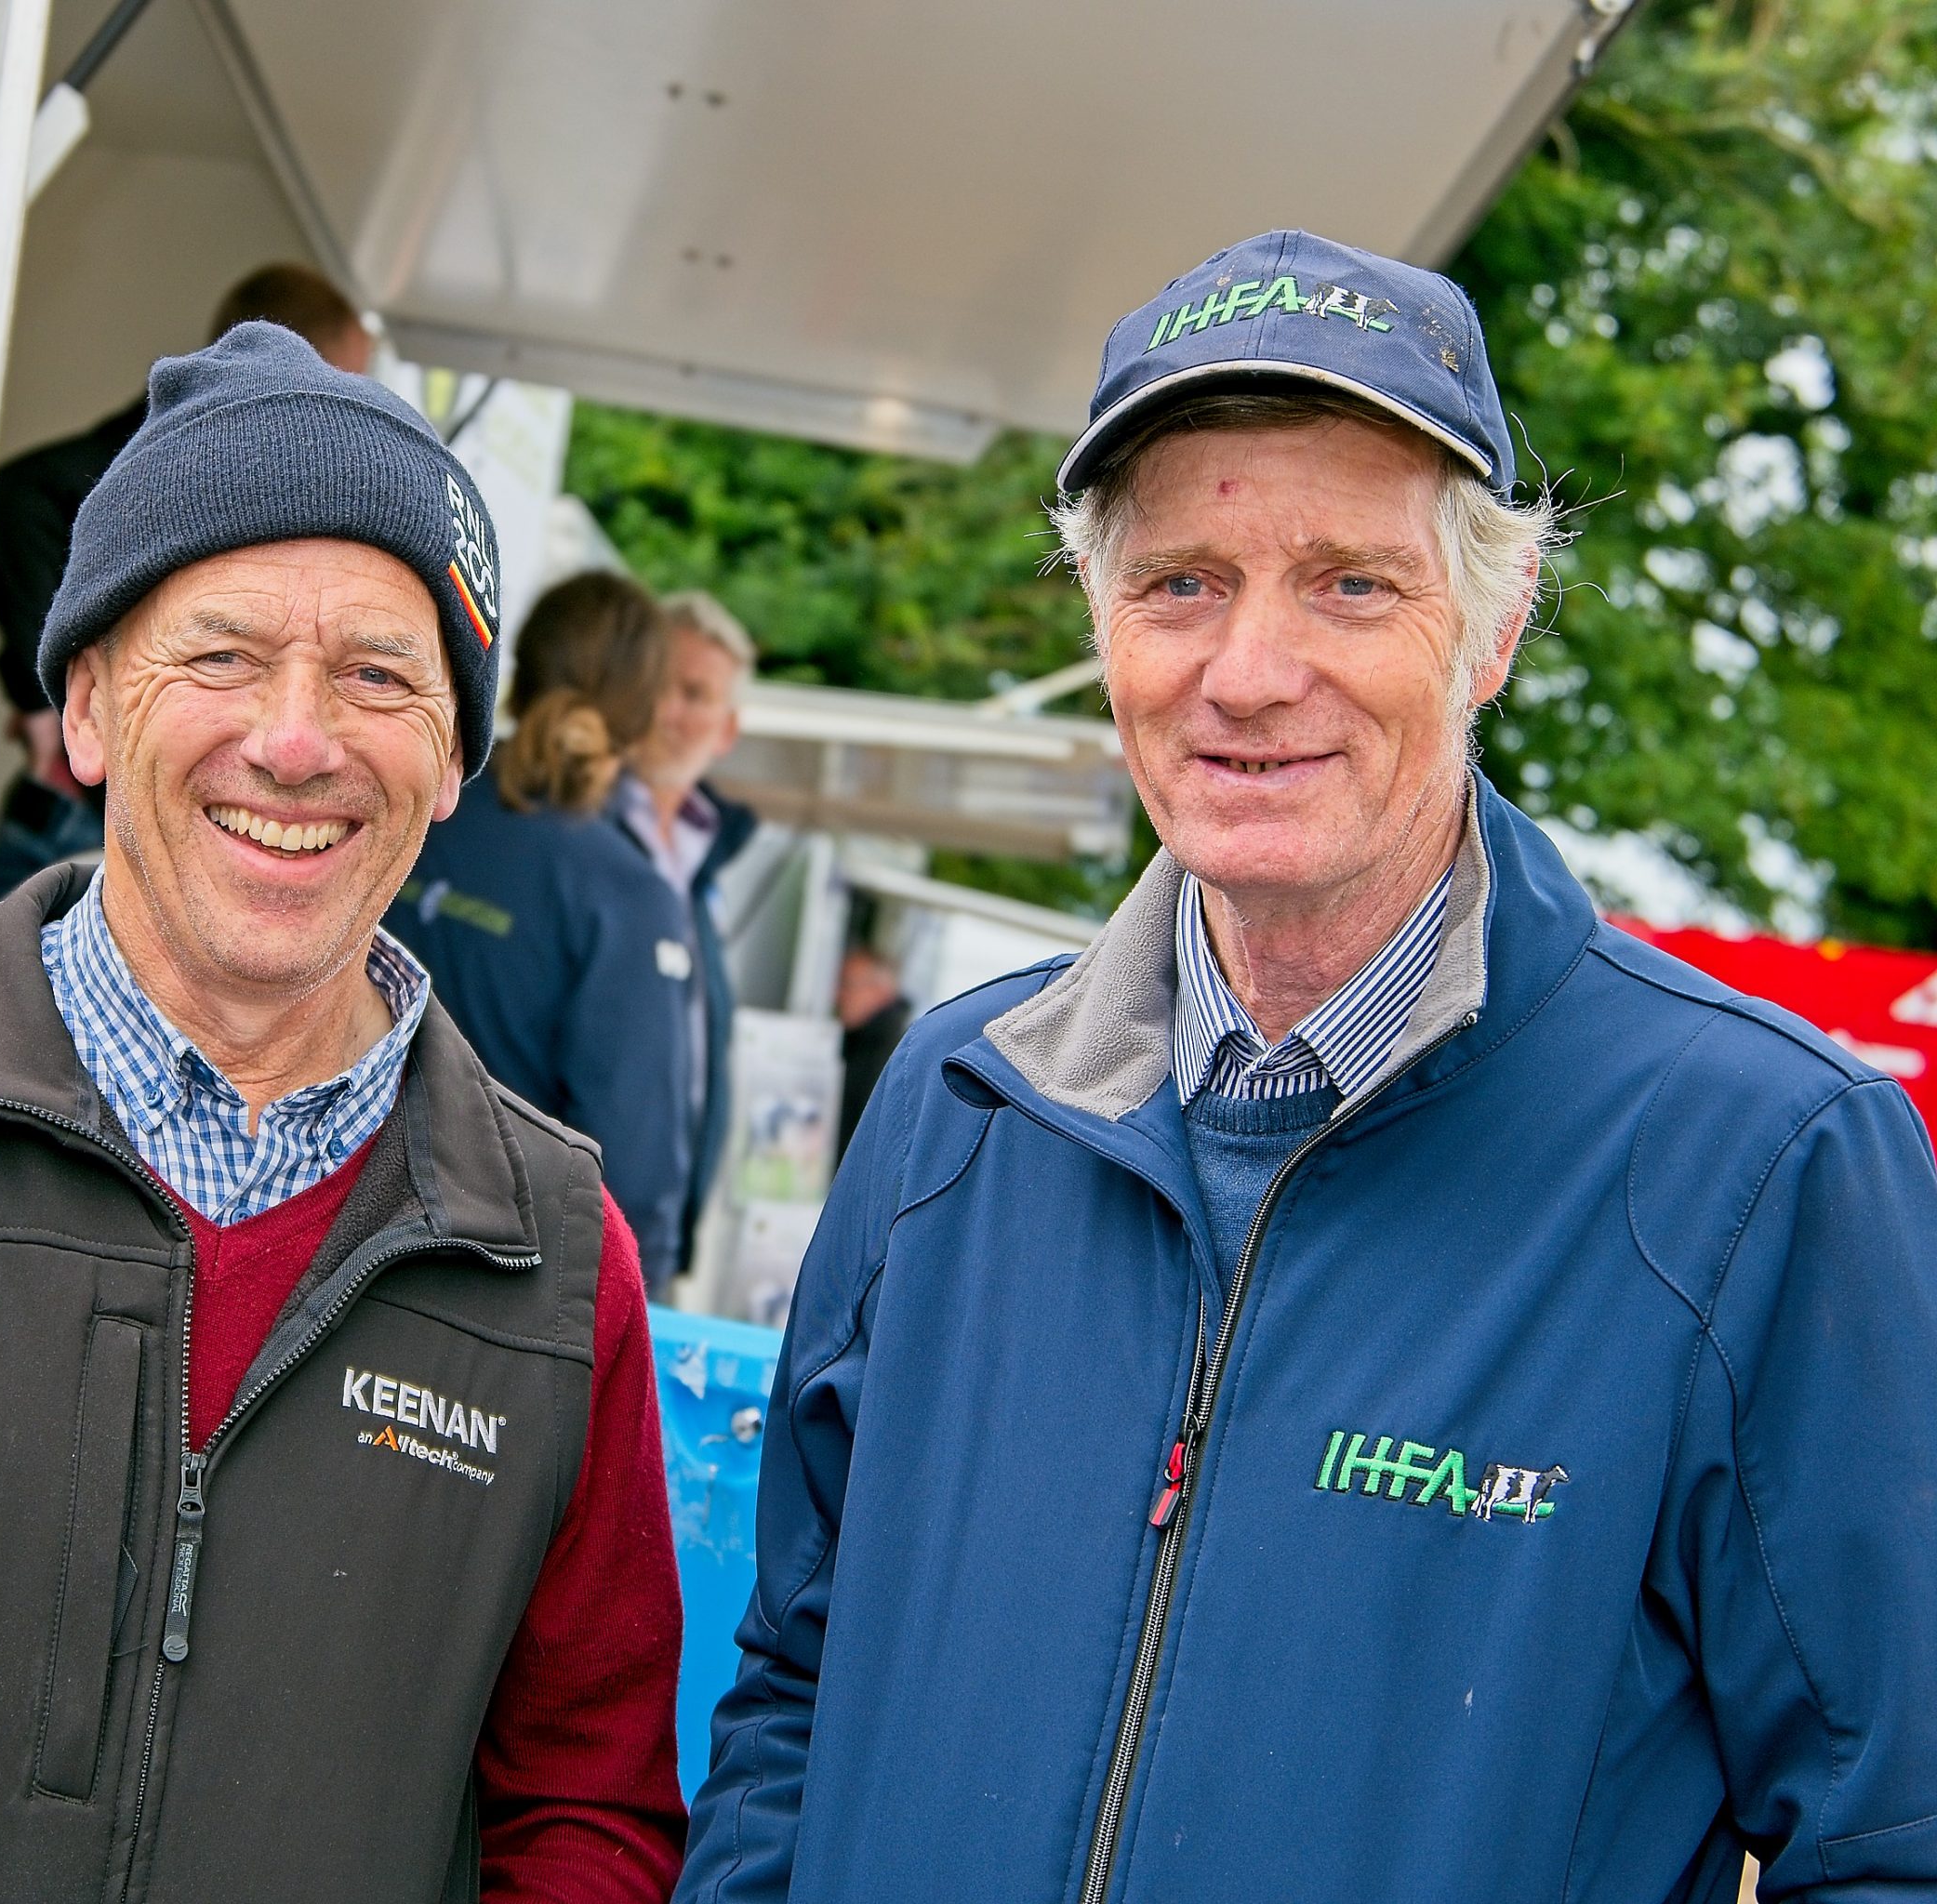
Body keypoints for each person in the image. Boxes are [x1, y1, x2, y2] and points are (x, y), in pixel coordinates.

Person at [677, 231, 1937, 1903]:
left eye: (1350, 582)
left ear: (1493, 629)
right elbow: (791, 1696)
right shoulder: (957, 1106)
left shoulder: (1764, 1167)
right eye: (1181, 582)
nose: (1250, 674)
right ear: (1106, 623)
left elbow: (1896, 1842)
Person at [0, 324, 686, 1902]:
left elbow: (588, 1817)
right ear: (86, 708)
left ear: (449, 762)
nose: (294, 740)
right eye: (219, 655)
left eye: (378, 675)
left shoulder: (556, 1269)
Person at [0, 262, 373, 901]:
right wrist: (40, 691)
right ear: (300, 365)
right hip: (85, 824)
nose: (356, 407)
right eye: (350, 380)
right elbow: (25, 496)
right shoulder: (189, 443)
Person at [386, 572, 697, 1297]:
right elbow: (632, 1168)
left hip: (333, 1230)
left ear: (518, 669)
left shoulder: (419, 810)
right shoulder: (625, 893)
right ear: (645, 711)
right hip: (494, 1285)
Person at [612, 588, 759, 1271]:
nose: (669, 710)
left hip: (654, 1243)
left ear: (727, 731)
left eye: (696, 694)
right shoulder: (574, 827)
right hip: (561, 1220)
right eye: (658, 683)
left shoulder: (706, 857)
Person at [830, 942, 909, 1160]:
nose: (838, 995)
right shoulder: (865, 1041)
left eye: (847, 985)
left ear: (880, 991)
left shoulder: (886, 1053)